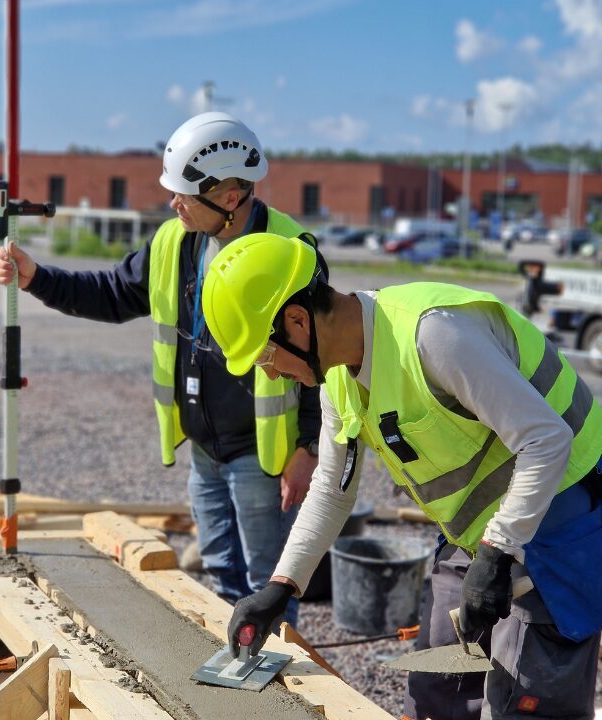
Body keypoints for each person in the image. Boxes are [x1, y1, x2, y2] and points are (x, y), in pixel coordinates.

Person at [201, 232, 602, 720]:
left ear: (297, 321)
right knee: (437, 695)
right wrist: (281, 586)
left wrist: (499, 552)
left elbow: (546, 440)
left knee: (526, 704)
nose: (268, 373)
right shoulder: (339, 383)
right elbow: (331, 490)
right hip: (482, 538)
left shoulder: (433, 336)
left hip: (565, 521)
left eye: (265, 356)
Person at [0, 113, 327, 626]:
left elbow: (322, 361)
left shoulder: (290, 252)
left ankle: (284, 692)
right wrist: (36, 277)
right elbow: (111, 294)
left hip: (262, 457)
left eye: (185, 195)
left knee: (271, 584)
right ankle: (234, 671)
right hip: (204, 450)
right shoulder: (175, 241)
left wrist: (308, 448)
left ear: (230, 198)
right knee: (220, 574)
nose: (174, 204)